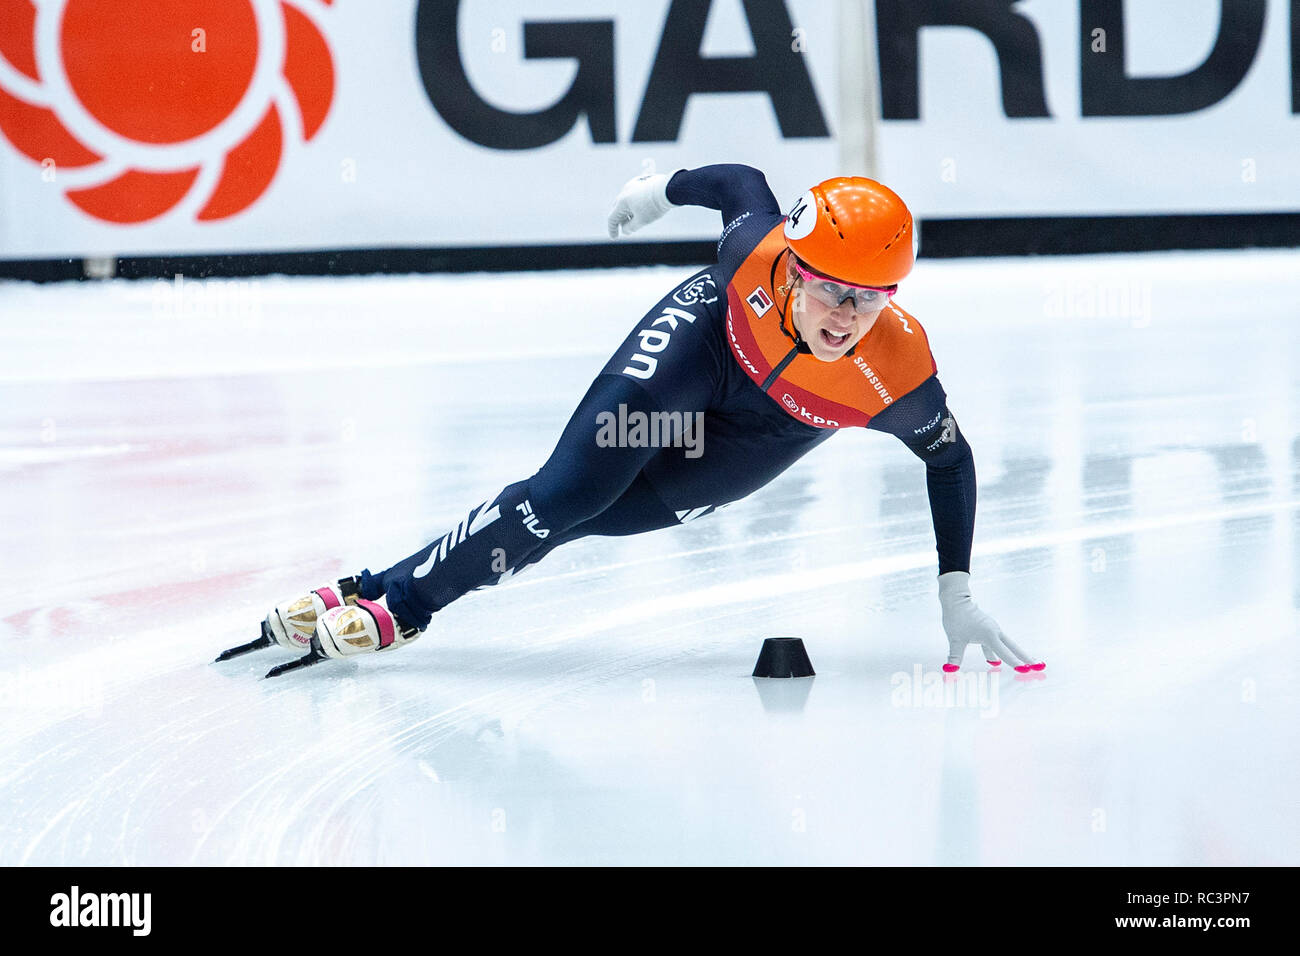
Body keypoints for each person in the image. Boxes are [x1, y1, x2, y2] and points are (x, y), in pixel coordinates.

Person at [219, 164, 1043, 678]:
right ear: (791, 267)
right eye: (832, 288)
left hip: (756, 437)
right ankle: (404, 605)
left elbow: (951, 461)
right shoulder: (750, 250)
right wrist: (660, 190)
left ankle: (370, 584)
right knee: (563, 497)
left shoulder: (896, 372)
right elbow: (736, 181)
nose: (847, 316)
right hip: (699, 355)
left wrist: (956, 587)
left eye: (872, 299)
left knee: (595, 520)